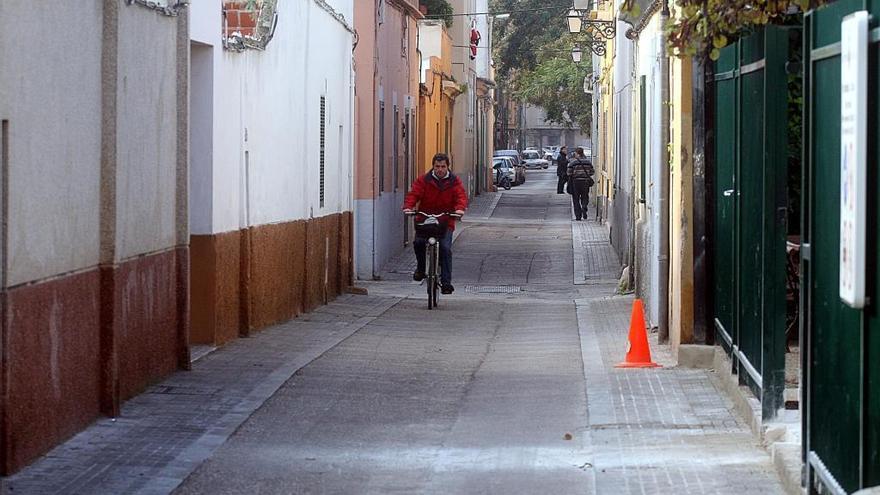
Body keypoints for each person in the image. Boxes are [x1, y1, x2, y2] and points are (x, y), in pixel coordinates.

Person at [402, 153, 468, 294]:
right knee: (418, 243)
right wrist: (408, 206)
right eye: (437, 166)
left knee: (445, 248)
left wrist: (459, 209)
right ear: (433, 166)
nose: (440, 169)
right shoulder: (424, 180)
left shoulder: (454, 181)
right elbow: (414, 194)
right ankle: (420, 269)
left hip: (445, 220)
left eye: (443, 166)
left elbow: (460, 196)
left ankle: (446, 283)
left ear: (447, 167)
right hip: (425, 219)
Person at [567, 147, 595, 221]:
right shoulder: (588, 162)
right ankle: (584, 206)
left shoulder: (573, 162)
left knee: (575, 199)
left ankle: (578, 216)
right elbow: (592, 172)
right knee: (585, 196)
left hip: (575, 182)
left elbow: (569, 173)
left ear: (577, 153)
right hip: (585, 182)